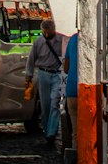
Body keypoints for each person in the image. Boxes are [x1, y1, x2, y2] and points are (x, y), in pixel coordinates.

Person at [25, 18, 67, 147]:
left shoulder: (62, 40)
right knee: (45, 105)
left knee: (54, 102)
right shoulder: (38, 42)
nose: (47, 35)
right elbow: (31, 59)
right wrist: (29, 75)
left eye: (49, 32)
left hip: (57, 74)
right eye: (45, 32)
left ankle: (51, 133)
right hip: (43, 74)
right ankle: (47, 128)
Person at [62, 30, 79, 149]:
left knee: (75, 132)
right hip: (85, 91)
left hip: (71, 90)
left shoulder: (72, 39)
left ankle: (75, 162)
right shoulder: (98, 39)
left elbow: (66, 68)